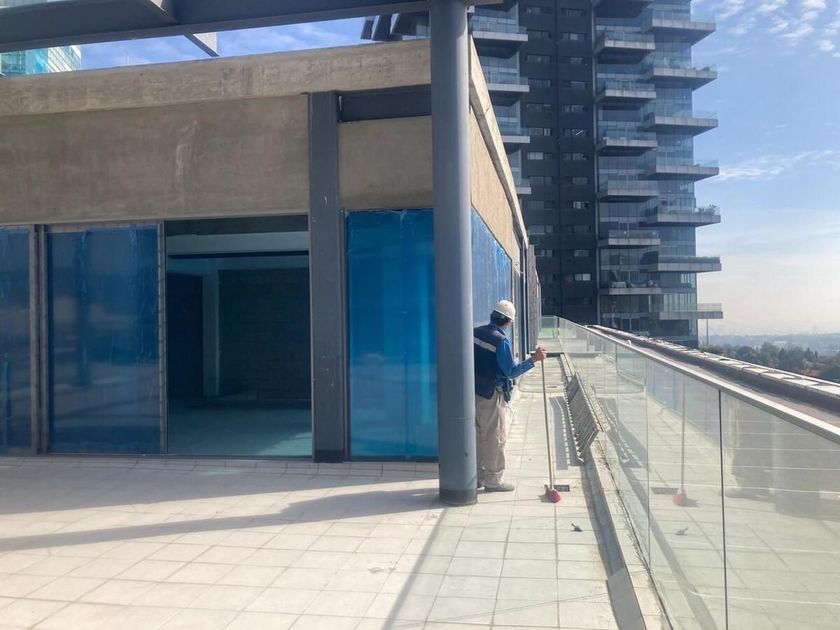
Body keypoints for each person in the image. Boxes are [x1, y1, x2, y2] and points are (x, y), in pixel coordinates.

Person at [473, 300, 546, 492]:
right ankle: (493, 480)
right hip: (490, 394)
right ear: (507, 322)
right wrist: (533, 360)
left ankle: (477, 477)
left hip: (472, 391)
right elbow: (511, 372)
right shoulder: (500, 341)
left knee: (477, 435)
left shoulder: (475, 332)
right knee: (494, 436)